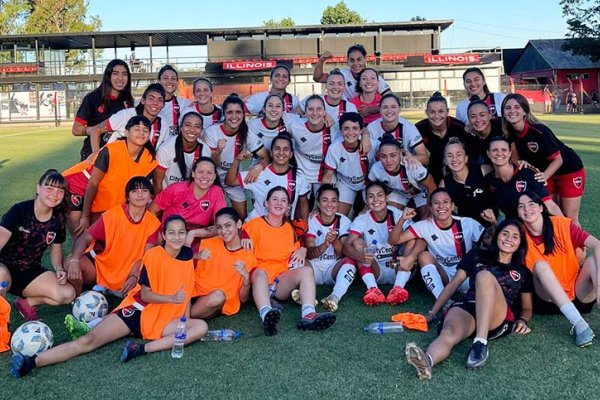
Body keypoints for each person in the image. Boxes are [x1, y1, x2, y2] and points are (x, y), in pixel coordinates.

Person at [10, 215, 208, 378]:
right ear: (163, 235)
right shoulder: (153, 256)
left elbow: (187, 290)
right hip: (139, 311)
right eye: (171, 232)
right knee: (88, 341)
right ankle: (31, 361)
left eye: (181, 232)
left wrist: (185, 318)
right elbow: (146, 295)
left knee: (200, 327)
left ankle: (140, 349)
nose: (176, 237)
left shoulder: (188, 255)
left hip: (166, 318)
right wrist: (172, 299)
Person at [405, 219, 533, 379]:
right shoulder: (477, 255)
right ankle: (427, 361)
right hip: (469, 308)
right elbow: (453, 284)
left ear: (520, 243)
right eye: (505, 233)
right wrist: (432, 312)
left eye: (515, 236)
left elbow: (527, 307)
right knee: (449, 332)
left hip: (497, 316)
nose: (508, 239)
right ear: (497, 235)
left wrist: (523, 320)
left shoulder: (523, 271)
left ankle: (480, 343)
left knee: (484, 275)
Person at [244, 186, 336, 335]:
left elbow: (295, 253)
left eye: (283, 200)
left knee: (306, 271)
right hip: (258, 281)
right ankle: (267, 314)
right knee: (260, 273)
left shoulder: (289, 228)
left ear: (288, 207)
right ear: (266, 203)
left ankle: (308, 314)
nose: (279, 203)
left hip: (280, 282)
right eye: (275, 199)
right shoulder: (253, 225)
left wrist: (302, 249)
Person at [517, 191, 600, 347]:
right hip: (547, 299)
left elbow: (597, 245)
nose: (527, 209)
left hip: (578, 294)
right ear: (518, 213)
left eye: (531, 204)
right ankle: (580, 325)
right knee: (541, 265)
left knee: (593, 260)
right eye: (521, 206)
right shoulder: (518, 234)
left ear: (541, 207)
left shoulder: (562, 224)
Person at [0, 170, 76, 321]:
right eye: (49, 188)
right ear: (38, 188)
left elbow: (56, 250)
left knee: (67, 293)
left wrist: (59, 269)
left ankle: (26, 303)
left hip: (29, 271)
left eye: (59, 190)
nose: (54, 194)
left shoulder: (58, 219)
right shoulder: (20, 210)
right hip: (4, 267)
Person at [65, 176, 161, 296]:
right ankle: (79, 297)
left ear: (150, 197)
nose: (140, 195)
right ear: (127, 197)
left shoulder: (153, 224)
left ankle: (113, 289)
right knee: (70, 263)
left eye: (144, 191)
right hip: (101, 267)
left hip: (129, 272)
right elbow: (85, 237)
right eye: (134, 191)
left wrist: (134, 276)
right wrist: (74, 260)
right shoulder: (113, 215)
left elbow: (146, 257)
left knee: (146, 288)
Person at [502, 93, 585, 224]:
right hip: (544, 172)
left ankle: (579, 245)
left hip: (568, 170)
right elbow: (517, 160)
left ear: (525, 111)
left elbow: (558, 160)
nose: (512, 111)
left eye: (517, 107)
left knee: (570, 218)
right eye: (508, 108)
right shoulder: (509, 133)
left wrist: (544, 177)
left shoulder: (539, 130)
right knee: (550, 214)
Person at [389, 188, 484, 300]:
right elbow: (393, 240)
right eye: (436, 203)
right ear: (430, 208)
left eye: (445, 202)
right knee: (424, 256)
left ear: (452, 206)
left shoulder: (468, 223)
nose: (441, 206)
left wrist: (493, 223)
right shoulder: (424, 226)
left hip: (466, 275)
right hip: (444, 277)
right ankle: (442, 300)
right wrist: (402, 219)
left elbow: (489, 242)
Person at [73, 115, 157, 236]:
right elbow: (93, 184)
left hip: (117, 210)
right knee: (86, 241)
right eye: (137, 129)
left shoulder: (149, 159)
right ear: (127, 132)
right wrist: (85, 216)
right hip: (78, 188)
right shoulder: (111, 150)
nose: (141, 133)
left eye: (145, 130)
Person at [343, 181, 414, 306]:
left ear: (386, 197)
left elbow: (418, 237)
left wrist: (410, 258)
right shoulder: (362, 219)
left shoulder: (398, 214)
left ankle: (398, 287)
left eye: (379, 195)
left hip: (396, 265)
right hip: (374, 267)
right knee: (357, 243)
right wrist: (361, 257)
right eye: (371, 196)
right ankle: (373, 289)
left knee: (412, 238)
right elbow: (346, 247)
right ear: (366, 201)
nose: (375, 199)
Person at [204, 94, 270, 219]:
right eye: (230, 112)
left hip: (233, 178)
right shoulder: (212, 132)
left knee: (242, 216)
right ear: (223, 113)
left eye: (238, 112)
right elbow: (213, 164)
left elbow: (266, 156)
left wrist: (258, 167)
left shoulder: (247, 133)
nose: (234, 116)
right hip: (213, 178)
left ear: (243, 114)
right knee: (212, 216)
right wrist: (218, 152)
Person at [225, 133, 309, 221]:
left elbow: (303, 203)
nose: (281, 152)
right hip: (257, 225)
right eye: (277, 149)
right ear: (271, 153)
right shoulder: (258, 173)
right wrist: (237, 160)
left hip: (283, 227)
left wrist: (305, 226)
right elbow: (230, 182)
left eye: (286, 149)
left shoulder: (299, 176)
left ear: (291, 154)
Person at [149, 157, 226, 252]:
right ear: (193, 173)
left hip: (195, 244)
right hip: (169, 240)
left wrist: (193, 233)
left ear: (214, 176)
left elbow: (221, 226)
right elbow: (151, 211)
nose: (205, 176)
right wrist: (158, 234)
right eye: (201, 172)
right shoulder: (177, 189)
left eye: (209, 173)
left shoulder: (216, 192)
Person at [191, 208, 256, 318]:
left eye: (228, 225)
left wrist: (245, 276)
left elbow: (243, 299)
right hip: (193, 294)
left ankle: (184, 319)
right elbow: (183, 265)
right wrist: (197, 256)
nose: (223, 231)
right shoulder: (208, 243)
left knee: (217, 296)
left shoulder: (248, 256)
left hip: (217, 302)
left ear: (239, 224)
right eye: (219, 227)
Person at [484, 136, 563, 219]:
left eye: (504, 150)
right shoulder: (489, 180)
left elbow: (549, 204)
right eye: (494, 150)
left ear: (510, 153)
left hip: (536, 223)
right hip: (514, 226)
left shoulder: (527, 173)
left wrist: (566, 226)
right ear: (488, 153)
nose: (499, 153)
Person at [304, 184, 356, 312]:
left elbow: (342, 254)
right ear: (318, 203)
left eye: (333, 201)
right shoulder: (311, 220)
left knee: (350, 262)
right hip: (313, 268)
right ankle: (307, 297)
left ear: (338, 203)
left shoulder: (344, 221)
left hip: (332, 269)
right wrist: (325, 244)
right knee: (298, 261)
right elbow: (310, 254)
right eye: (325, 200)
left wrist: (334, 241)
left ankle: (334, 297)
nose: (329, 204)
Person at [72, 59, 134, 160]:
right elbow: (76, 129)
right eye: (115, 74)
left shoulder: (128, 100)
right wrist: (97, 130)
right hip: (93, 154)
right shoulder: (93, 98)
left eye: (124, 74)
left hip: (118, 155)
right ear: (108, 76)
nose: (120, 78)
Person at [368, 137, 436, 218]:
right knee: (389, 217)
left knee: (427, 220)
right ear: (379, 156)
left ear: (400, 154)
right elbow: (370, 189)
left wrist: (427, 215)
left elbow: (432, 188)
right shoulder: (376, 169)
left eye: (393, 155)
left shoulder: (413, 166)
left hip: (421, 193)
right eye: (383, 156)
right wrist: (367, 207)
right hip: (399, 193)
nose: (388, 160)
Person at [322, 112, 376, 215]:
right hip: (346, 183)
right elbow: (327, 177)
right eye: (346, 128)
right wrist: (322, 199)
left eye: (355, 128)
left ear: (361, 130)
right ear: (341, 131)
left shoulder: (372, 144)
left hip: (369, 183)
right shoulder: (335, 148)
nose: (350, 132)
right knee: (338, 216)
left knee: (374, 214)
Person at [90, 83, 168, 154]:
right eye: (151, 98)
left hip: (138, 167)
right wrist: (95, 155)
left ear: (164, 105)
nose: (155, 103)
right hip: (111, 163)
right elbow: (95, 130)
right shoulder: (125, 115)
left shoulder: (164, 125)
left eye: (160, 100)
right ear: (143, 100)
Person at [439, 139, 496, 227]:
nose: (454, 159)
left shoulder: (483, 170)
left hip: (494, 222)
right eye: (450, 156)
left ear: (466, 158)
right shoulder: (445, 185)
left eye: (459, 154)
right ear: (445, 160)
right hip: (468, 230)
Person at [415, 92, 469, 183]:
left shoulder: (459, 128)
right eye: (432, 112)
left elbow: (469, 156)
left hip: (455, 177)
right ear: (426, 112)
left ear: (447, 111)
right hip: (428, 178)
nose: (436, 116)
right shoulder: (418, 129)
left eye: (441, 111)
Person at [153, 111, 211, 193]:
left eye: (197, 126)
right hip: (167, 194)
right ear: (180, 128)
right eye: (188, 125)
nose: (192, 130)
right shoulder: (165, 149)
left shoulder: (205, 150)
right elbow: (157, 182)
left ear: (201, 130)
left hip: (191, 195)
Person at [313, 44, 391, 101]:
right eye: (352, 60)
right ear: (348, 61)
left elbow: (391, 99)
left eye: (359, 59)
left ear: (365, 59)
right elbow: (318, 78)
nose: (355, 63)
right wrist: (322, 59)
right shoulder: (342, 74)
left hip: (372, 118)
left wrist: (372, 109)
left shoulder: (374, 78)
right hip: (348, 118)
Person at [368, 93, 429, 166]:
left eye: (393, 107)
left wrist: (405, 158)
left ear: (399, 109)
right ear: (380, 110)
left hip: (404, 168)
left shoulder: (409, 127)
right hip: (379, 170)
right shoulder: (371, 128)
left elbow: (425, 158)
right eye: (385, 107)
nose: (389, 110)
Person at [464, 98, 505, 165]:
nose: (478, 119)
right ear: (469, 119)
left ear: (490, 115)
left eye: (482, 115)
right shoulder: (469, 136)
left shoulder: (502, 127)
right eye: (473, 116)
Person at [156, 65, 192, 138]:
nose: (170, 81)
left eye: (173, 78)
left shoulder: (185, 104)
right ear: (159, 81)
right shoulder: (149, 104)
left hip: (176, 147)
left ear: (177, 82)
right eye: (165, 78)